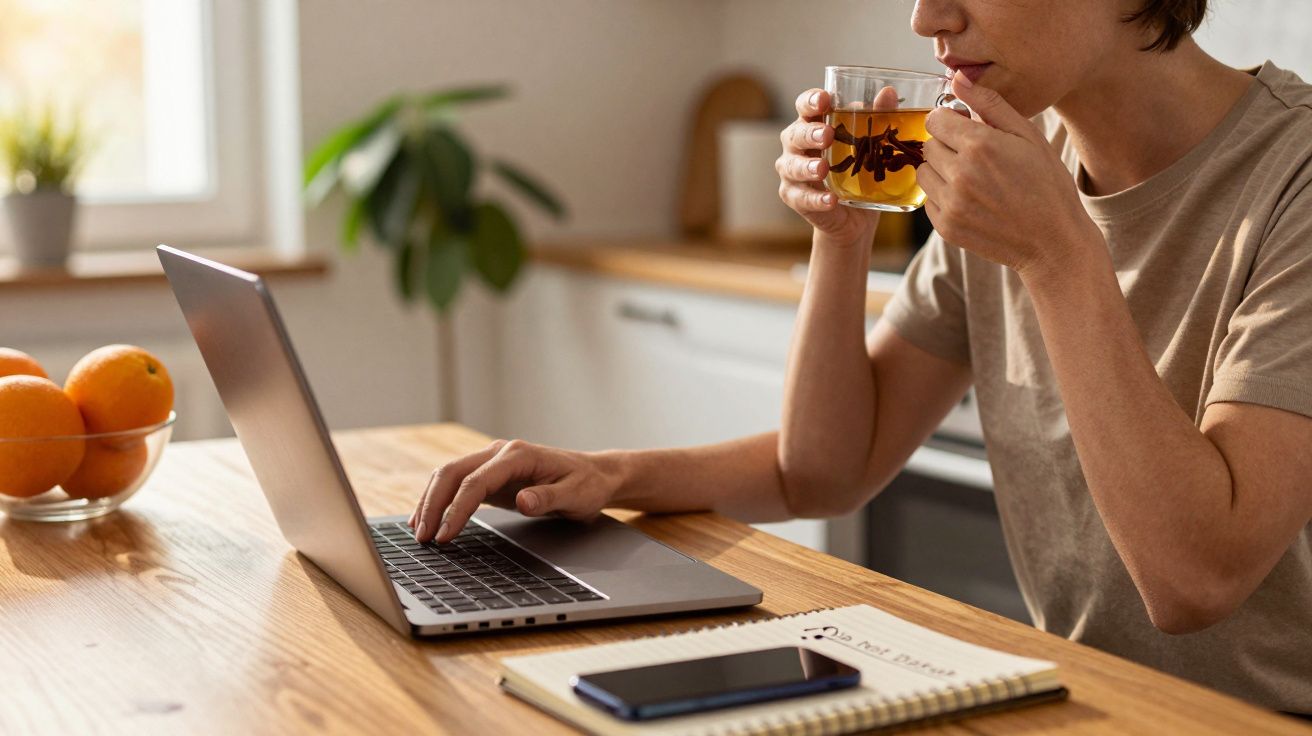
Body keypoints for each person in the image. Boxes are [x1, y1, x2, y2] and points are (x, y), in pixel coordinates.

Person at [409, 0, 1312, 715]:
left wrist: (1058, 256)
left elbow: (1195, 581)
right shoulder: (1015, 167)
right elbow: (824, 471)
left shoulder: (1291, 180)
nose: (926, 17)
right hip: (1095, 704)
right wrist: (839, 240)